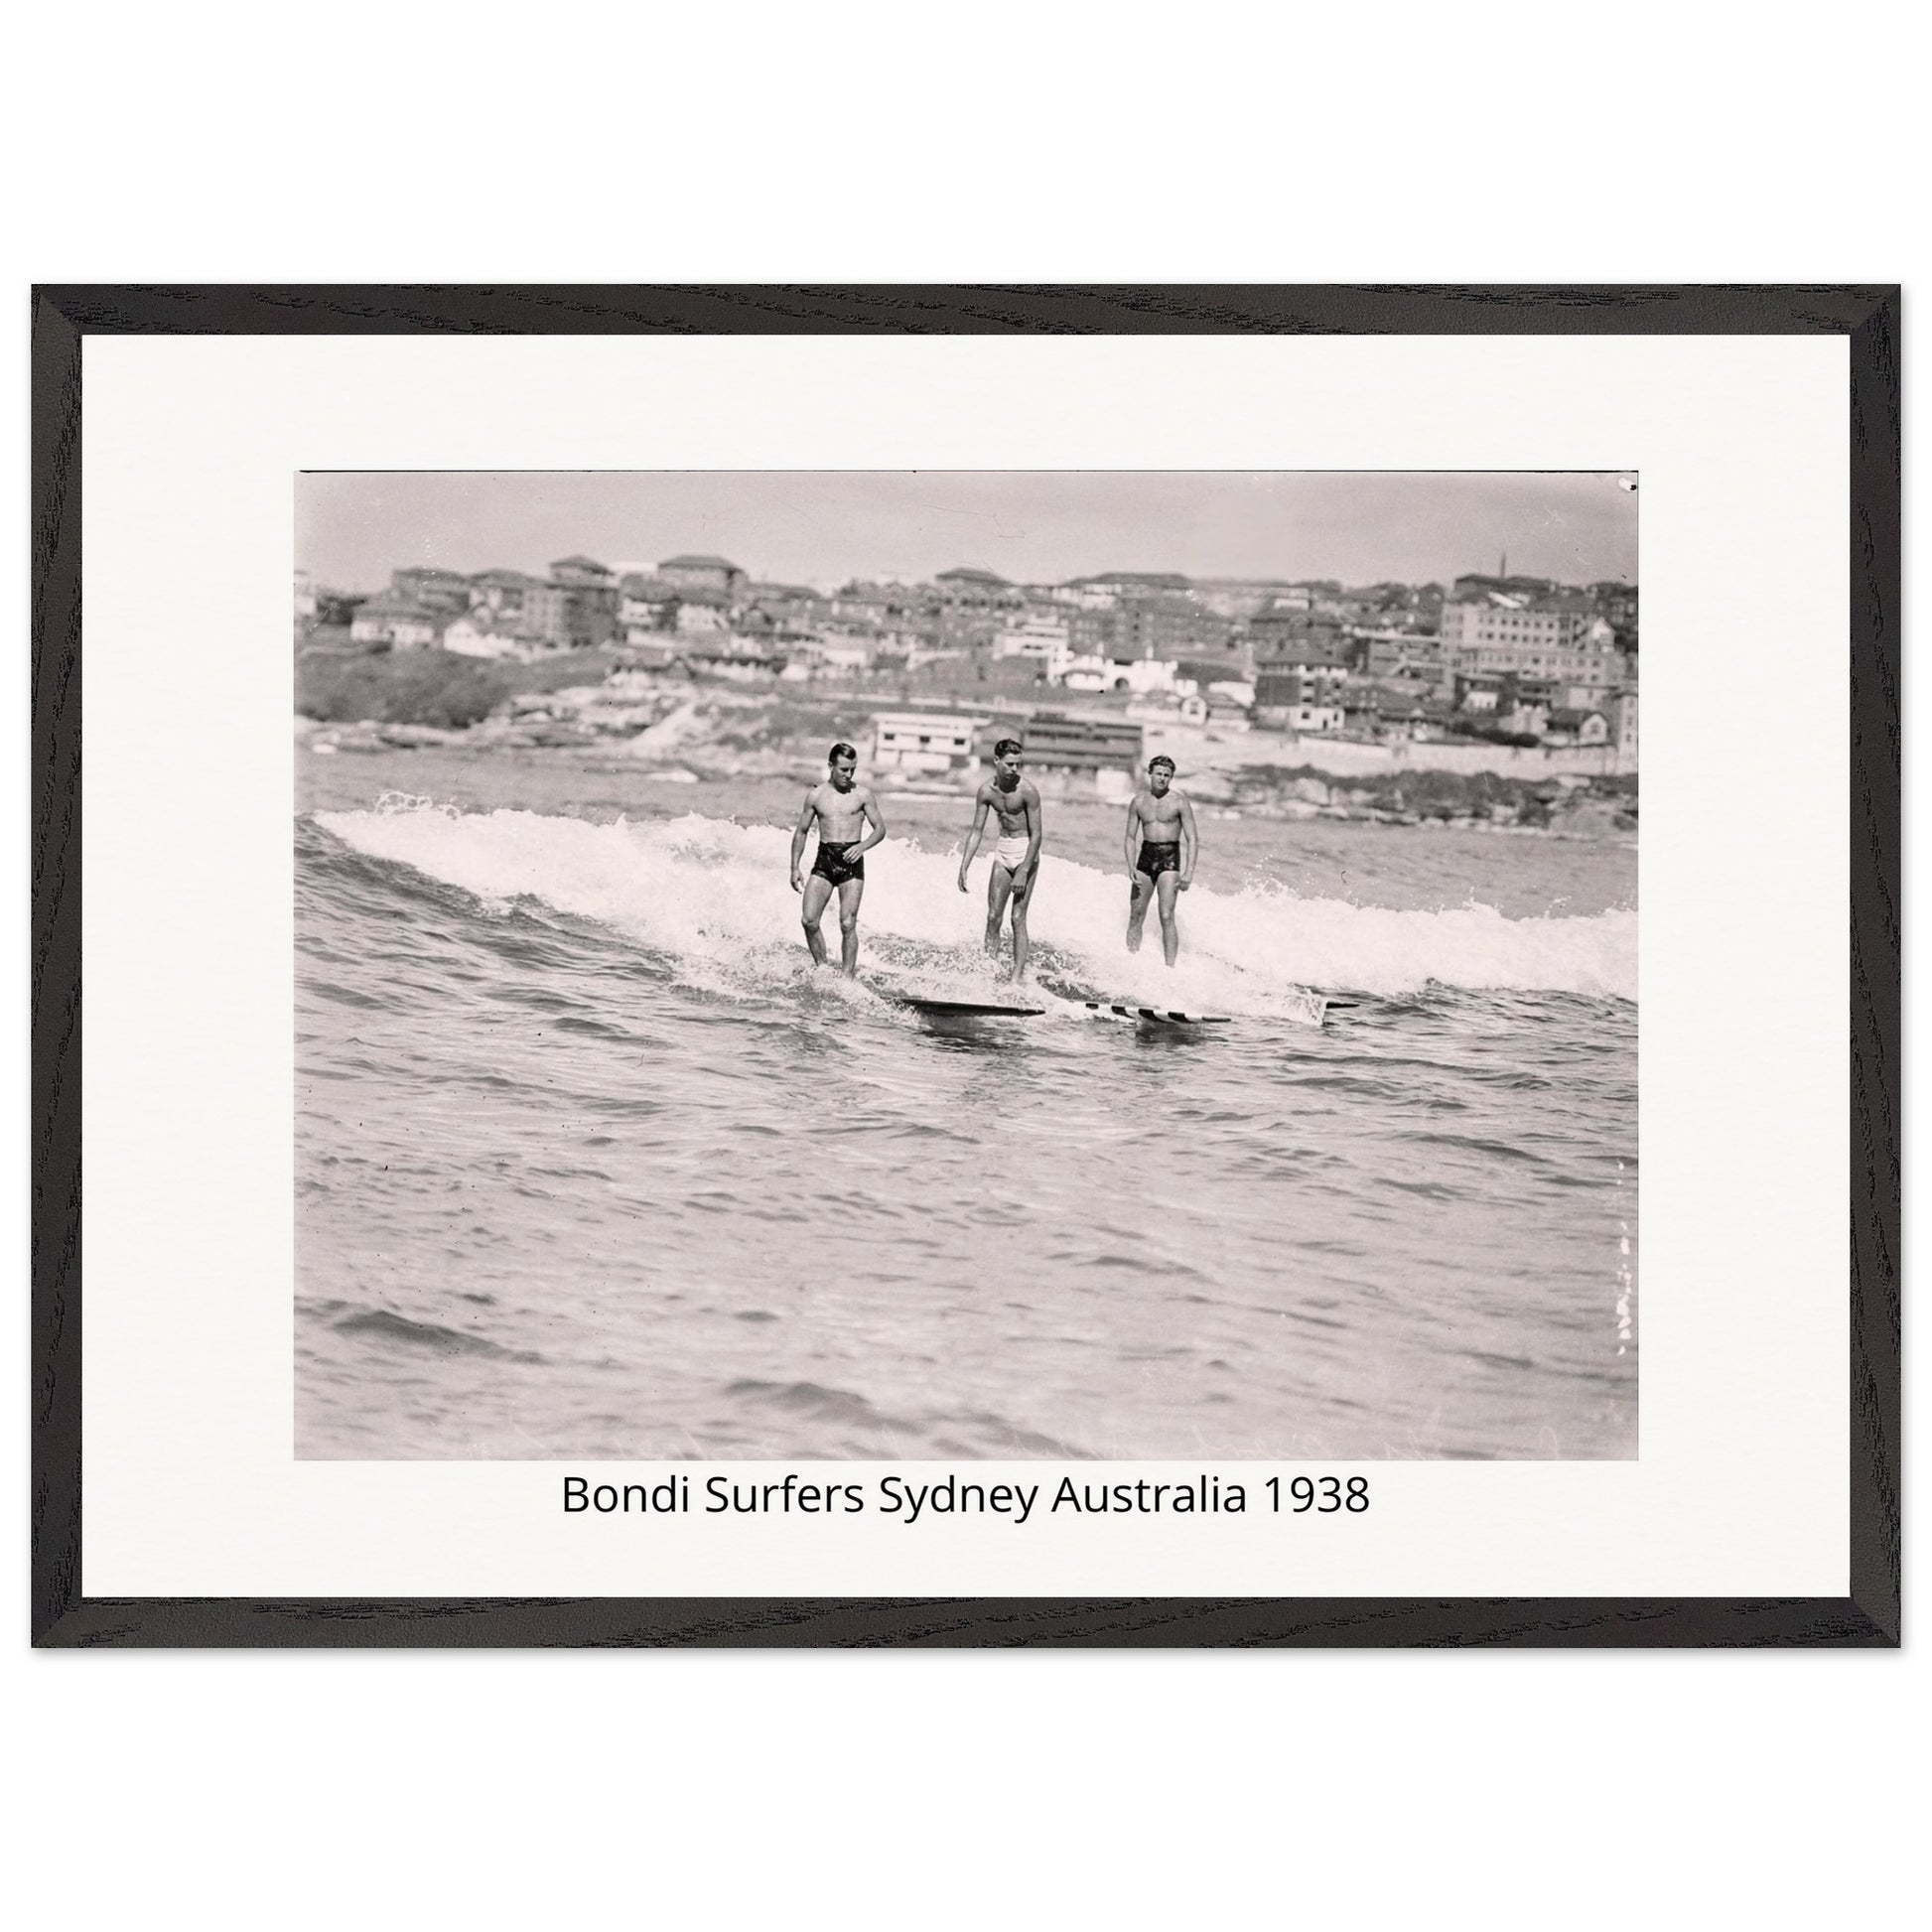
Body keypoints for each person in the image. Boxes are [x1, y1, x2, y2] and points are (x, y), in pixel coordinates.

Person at [789, 742, 887, 975]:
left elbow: (880, 829)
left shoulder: (863, 794)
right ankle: (823, 970)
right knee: (809, 920)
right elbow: (801, 831)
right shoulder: (816, 795)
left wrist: (862, 847)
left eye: (853, 769)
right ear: (831, 766)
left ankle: (847, 978)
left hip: (852, 860)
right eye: (844, 769)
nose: (849, 774)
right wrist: (794, 867)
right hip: (825, 859)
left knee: (847, 923)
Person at [956, 738, 1044, 980]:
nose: (1015, 769)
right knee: (993, 916)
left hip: (1026, 850)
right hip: (1003, 850)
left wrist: (1024, 870)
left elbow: (1037, 835)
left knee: (1017, 917)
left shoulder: (1027, 791)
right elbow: (976, 831)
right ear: (996, 761)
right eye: (1009, 764)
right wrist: (964, 866)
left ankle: (1016, 979)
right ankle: (989, 973)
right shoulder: (986, 791)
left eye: (1018, 764)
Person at [1124, 755, 1198, 966]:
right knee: (1136, 915)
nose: (1162, 778)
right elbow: (1130, 837)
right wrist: (1130, 865)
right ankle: (1130, 961)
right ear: (1150, 774)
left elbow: (1192, 838)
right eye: (1159, 774)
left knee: (1166, 915)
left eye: (1167, 775)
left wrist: (1189, 872)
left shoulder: (1179, 802)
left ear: (1171, 777)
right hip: (1145, 857)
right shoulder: (1138, 801)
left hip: (1169, 858)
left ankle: (1170, 967)